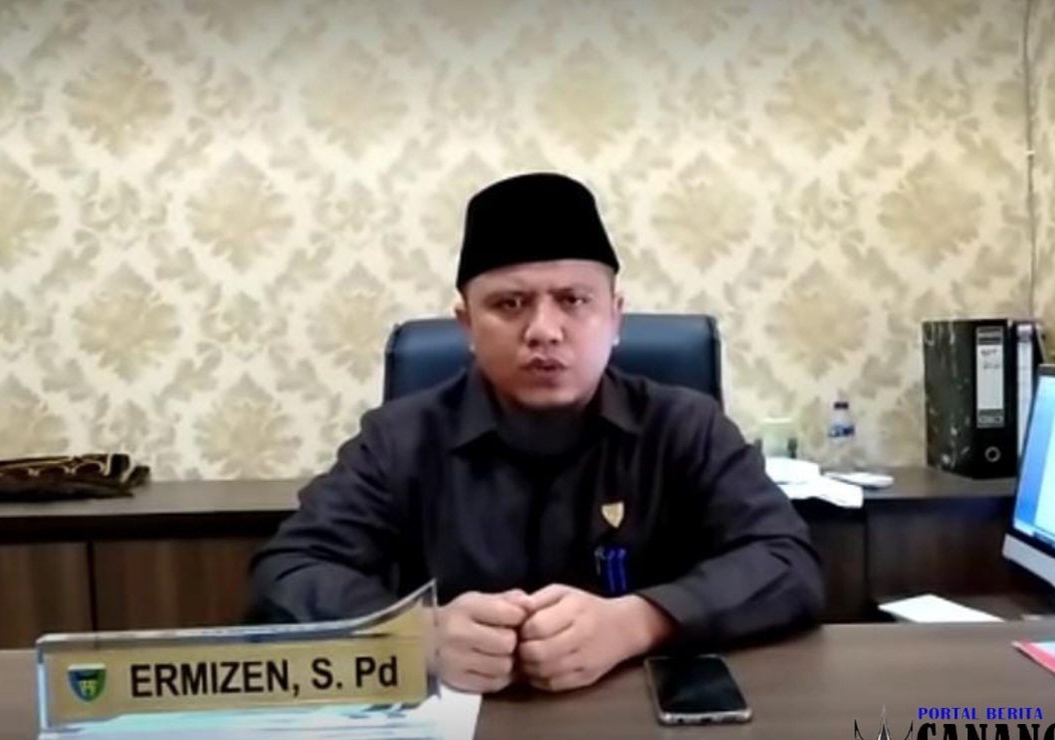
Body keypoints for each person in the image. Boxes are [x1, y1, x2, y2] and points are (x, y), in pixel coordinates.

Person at [247, 172, 825, 694]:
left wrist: (639, 621)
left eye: (574, 301)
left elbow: (786, 562)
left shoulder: (684, 426)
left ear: (615, 317)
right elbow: (287, 573)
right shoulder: (400, 439)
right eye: (509, 304)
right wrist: (414, 634)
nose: (544, 330)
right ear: (467, 324)